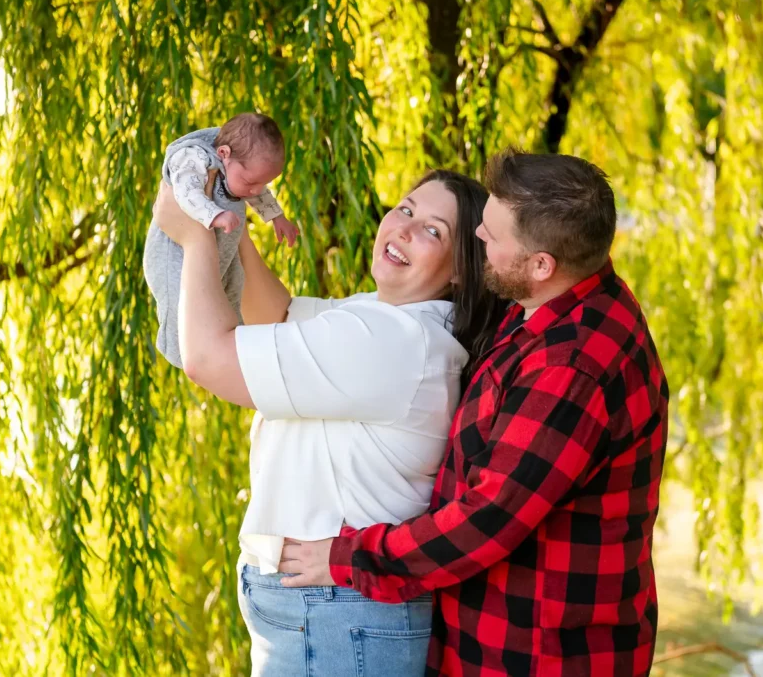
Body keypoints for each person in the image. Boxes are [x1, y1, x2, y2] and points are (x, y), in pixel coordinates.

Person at [279, 150, 670, 677]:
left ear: (541, 264)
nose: (478, 238)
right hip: (497, 637)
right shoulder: (557, 301)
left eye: (492, 235)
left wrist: (346, 558)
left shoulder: (571, 370)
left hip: (538, 655)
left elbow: (487, 519)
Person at [152, 168, 508, 677]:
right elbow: (278, 314)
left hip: (334, 613)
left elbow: (208, 358)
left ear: (459, 270)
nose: (405, 228)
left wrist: (193, 238)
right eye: (405, 209)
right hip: (329, 610)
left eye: (434, 230)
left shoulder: (394, 342)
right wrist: (231, 225)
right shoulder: (386, 318)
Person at [143, 112, 299, 369]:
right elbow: (185, 191)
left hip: (220, 254)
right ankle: (180, 349)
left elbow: (259, 192)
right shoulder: (194, 158)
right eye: (251, 182)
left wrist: (277, 217)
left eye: (264, 184)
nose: (255, 191)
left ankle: (230, 340)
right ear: (224, 154)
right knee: (180, 301)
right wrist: (214, 215)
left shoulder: (242, 168)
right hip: (175, 254)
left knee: (232, 290)